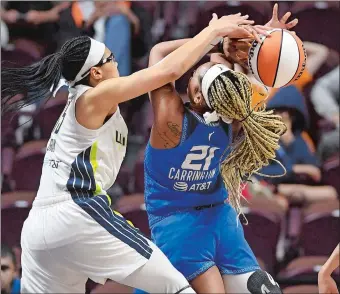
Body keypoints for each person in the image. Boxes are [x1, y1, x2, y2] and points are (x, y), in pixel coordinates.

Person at [1, 13, 257, 293]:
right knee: (175, 286)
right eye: (110, 59)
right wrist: (213, 34)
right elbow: (166, 70)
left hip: (38, 228)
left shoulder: (80, 104)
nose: (117, 62)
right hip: (75, 211)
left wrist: (216, 44)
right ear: (95, 73)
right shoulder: (95, 95)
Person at [136, 9, 292, 293]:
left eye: (196, 71)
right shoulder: (235, 118)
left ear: (197, 94)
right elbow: (236, 65)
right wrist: (260, 42)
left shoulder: (169, 118)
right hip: (196, 223)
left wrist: (215, 39)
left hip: (192, 220)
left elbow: (159, 53)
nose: (200, 65)